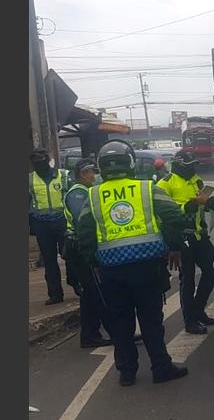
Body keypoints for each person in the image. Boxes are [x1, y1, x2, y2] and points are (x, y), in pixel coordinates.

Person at [76, 140, 188, 386]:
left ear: (101, 167)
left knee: (120, 322)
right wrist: (174, 246)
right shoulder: (147, 188)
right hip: (147, 267)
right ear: (130, 163)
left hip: (111, 270)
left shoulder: (93, 195)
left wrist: (93, 260)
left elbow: (84, 232)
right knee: (151, 320)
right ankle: (161, 368)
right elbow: (174, 217)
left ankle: (127, 373)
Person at [158, 150, 214, 334]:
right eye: (190, 165)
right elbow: (162, 210)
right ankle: (190, 320)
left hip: (199, 235)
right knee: (188, 279)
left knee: (213, 269)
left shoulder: (196, 180)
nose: (193, 168)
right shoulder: (165, 183)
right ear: (179, 165)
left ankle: (198, 309)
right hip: (181, 237)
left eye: (194, 165)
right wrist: (186, 206)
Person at [64, 159, 112, 348]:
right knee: (94, 292)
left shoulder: (87, 191)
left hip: (84, 246)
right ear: (83, 174)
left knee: (94, 293)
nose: (95, 175)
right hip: (80, 248)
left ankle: (95, 334)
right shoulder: (77, 193)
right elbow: (82, 221)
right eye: (92, 172)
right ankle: (95, 335)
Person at [29, 148, 73, 305]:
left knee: (69, 254)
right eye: (36, 163)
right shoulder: (30, 179)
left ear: (48, 161)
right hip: (42, 223)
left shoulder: (63, 175)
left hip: (62, 221)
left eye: (41, 161)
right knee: (49, 260)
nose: (39, 165)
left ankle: (76, 284)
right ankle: (55, 294)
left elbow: (71, 198)